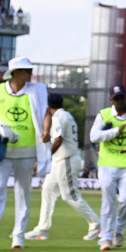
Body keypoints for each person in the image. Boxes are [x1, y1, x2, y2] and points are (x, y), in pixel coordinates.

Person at [0, 57, 51, 249]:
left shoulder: (38, 91)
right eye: (27, 70)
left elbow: (46, 114)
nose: (30, 74)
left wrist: (46, 130)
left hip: (27, 151)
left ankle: (18, 236)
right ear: (15, 72)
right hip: (1, 150)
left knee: (22, 194)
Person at [26, 93, 100, 242]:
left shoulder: (59, 117)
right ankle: (42, 229)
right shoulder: (65, 115)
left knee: (70, 195)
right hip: (59, 160)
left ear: (48, 105)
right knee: (47, 190)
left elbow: (58, 140)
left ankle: (96, 224)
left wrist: (43, 159)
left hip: (66, 159)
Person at [88, 84, 126, 250]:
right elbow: (94, 137)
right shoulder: (104, 114)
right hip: (107, 164)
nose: (119, 101)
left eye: (121, 97)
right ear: (111, 100)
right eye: (116, 98)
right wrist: (116, 131)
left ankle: (119, 228)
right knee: (108, 202)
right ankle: (105, 238)